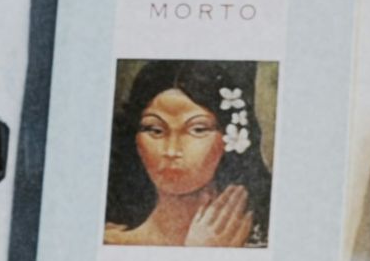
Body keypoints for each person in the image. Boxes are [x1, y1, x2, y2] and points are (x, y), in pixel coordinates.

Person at [104, 60, 271, 247]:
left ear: (230, 136)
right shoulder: (110, 243)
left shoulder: (265, 241)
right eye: (155, 130)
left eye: (198, 129)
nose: (172, 150)